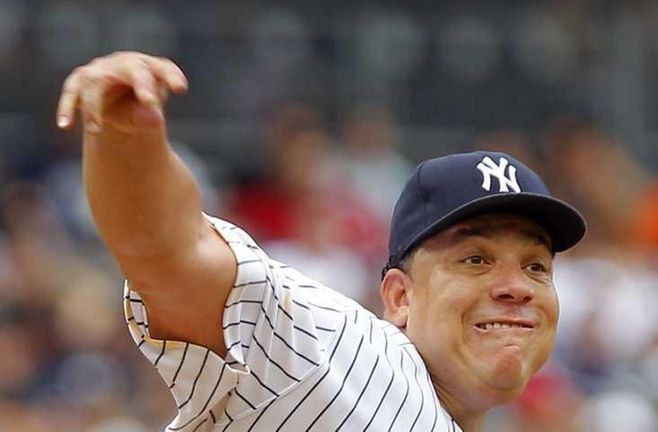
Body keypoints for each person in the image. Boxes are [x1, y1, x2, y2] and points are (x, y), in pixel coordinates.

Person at [56, 52, 586, 432]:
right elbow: (174, 256)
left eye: (537, 266)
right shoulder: (341, 352)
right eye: (476, 259)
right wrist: (127, 140)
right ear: (401, 297)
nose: (517, 287)